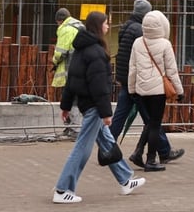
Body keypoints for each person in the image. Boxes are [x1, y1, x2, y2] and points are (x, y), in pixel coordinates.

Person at [52, 11, 145, 203]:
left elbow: (71, 80)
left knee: (107, 142)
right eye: (106, 23)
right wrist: (105, 113)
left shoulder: (80, 49)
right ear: (98, 26)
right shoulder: (95, 52)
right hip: (94, 107)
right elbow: (99, 86)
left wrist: (66, 105)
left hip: (86, 105)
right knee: (82, 148)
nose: (108, 27)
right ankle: (62, 190)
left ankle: (125, 179)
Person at [111, 0, 183, 167]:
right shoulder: (142, 33)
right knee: (152, 121)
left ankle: (111, 146)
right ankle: (159, 154)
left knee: (129, 117)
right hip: (143, 83)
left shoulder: (126, 27)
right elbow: (169, 68)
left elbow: (130, 60)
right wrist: (179, 90)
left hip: (130, 79)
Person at [128, 10, 184, 172]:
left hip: (141, 89)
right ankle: (151, 160)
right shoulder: (165, 44)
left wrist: (132, 89)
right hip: (158, 91)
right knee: (154, 125)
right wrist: (179, 91)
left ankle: (138, 152)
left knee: (150, 123)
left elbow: (133, 68)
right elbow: (171, 70)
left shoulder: (138, 42)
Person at [52, 8, 84, 134]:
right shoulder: (80, 25)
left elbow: (61, 51)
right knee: (77, 98)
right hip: (81, 68)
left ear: (59, 21)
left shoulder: (65, 29)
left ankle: (73, 127)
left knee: (71, 98)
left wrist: (54, 61)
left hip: (69, 68)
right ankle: (74, 126)